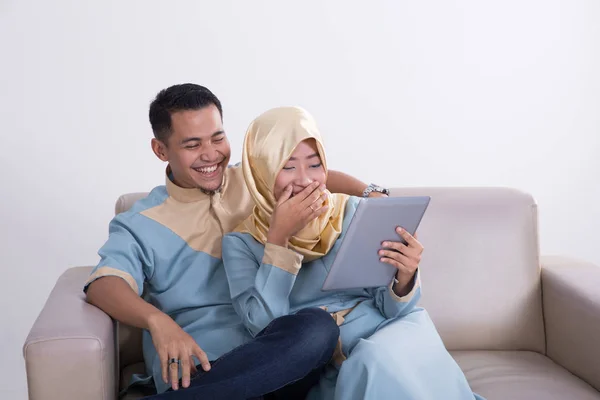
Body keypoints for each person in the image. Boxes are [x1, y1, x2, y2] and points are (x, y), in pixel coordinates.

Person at [84, 84, 391, 399]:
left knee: (316, 327)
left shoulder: (253, 178)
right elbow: (103, 284)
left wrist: (371, 194)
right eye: (192, 144)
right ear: (161, 150)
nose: (210, 154)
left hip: (280, 357)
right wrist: (157, 320)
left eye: (218, 138)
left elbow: (313, 176)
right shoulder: (140, 222)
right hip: (206, 365)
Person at [222, 106, 486, 400]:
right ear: (262, 171)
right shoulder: (240, 242)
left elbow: (393, 309)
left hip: (393, 334)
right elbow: (264, 328)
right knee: (370, 365)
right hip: (334, 362)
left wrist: (405, 275)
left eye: (314, 164)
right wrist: (279, 240)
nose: (306, 180)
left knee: (380, 361)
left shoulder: (351, 211)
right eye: (287, 167)